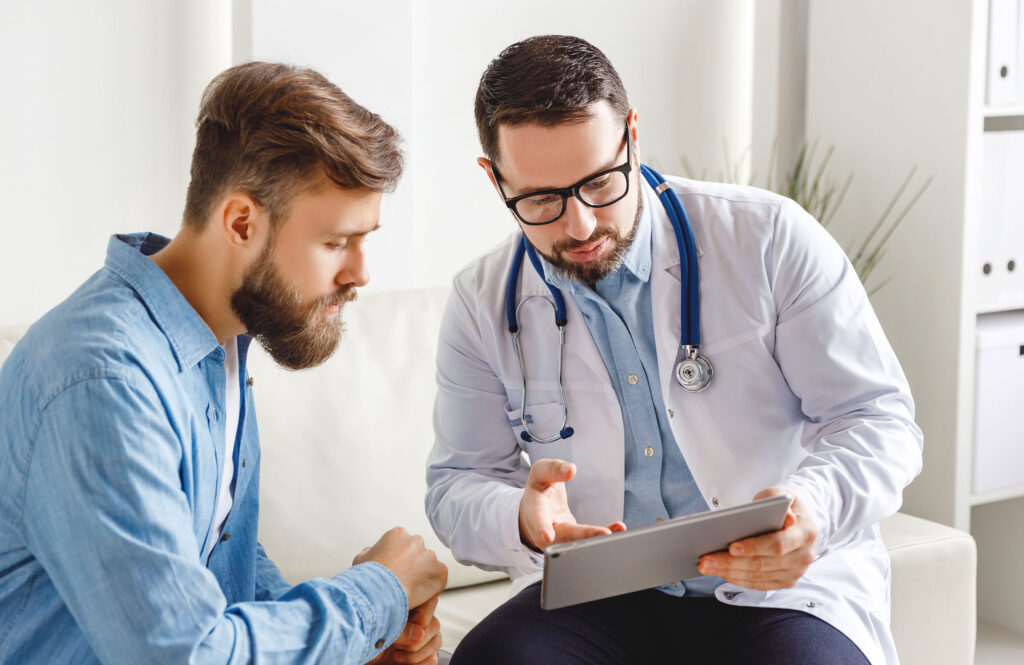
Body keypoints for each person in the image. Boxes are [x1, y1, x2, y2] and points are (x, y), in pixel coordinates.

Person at [425, 35, 922, 665]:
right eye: (541, 199)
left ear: (632, 136)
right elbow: (457, 482)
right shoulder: (481, 301)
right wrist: (521, 518)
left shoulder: (768, 239)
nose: (578, 226)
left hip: (778, 591)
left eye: (599, 182)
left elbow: (878, 421)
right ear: (494, 177)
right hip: (598, 596)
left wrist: (813, 507)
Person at [0, 62, 447, 665]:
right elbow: (183, 655)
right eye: (336, 242)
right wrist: (377, 595)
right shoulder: (103, 381)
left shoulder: (223, 333)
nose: (360, 272)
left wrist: (352, 646)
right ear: (241, 223)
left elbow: (218, 556)